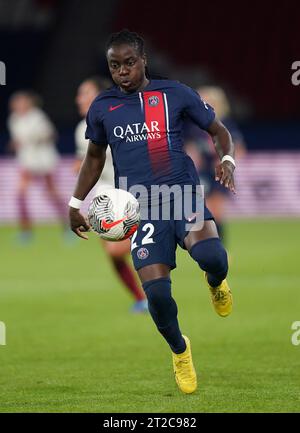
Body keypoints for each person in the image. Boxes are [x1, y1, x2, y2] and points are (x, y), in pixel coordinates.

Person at [69, 30, 236, 394]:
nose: (123, 72)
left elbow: (218, 129)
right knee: (157, 296)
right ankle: (180, 351)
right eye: (115, 65)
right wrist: (74, 203)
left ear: (143, 60)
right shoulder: (103, 107)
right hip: (141, 208)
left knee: (211, 256)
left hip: (182, 195)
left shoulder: (174, 93)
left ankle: (216, 282)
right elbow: (94, 157)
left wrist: (226, 159)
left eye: (129, 63)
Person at [74, 76, 148, 313]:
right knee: (114, 254)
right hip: (105, 192)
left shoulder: (121, 118)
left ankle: (154, 285)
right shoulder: (81, 129)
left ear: (98, 96)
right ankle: (141, 299)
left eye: (85, 93)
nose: (79, 99)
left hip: (132, 188)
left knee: (118, 248)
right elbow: (92, 161)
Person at [184, 86, 246, 241]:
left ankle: (220, 246)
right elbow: (190, 146)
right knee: (206, 209)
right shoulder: (195, 125)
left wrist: (225, 160)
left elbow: (238, 148)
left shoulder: (225, 123)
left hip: (220, 172)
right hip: (202, 172)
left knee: (216, 209)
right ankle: (210, 243)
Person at [7, 90, 67, 243]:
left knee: (52, 194)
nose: (18, 105)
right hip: (27, 162)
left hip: (44, 161)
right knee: (20, 195)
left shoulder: (38, 117)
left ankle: (69, 226)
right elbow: (19, 140)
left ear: (28, 103)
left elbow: (51, 135)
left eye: (21, 102)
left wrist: (38, 138)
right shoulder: (13, 120)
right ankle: (26, 231)